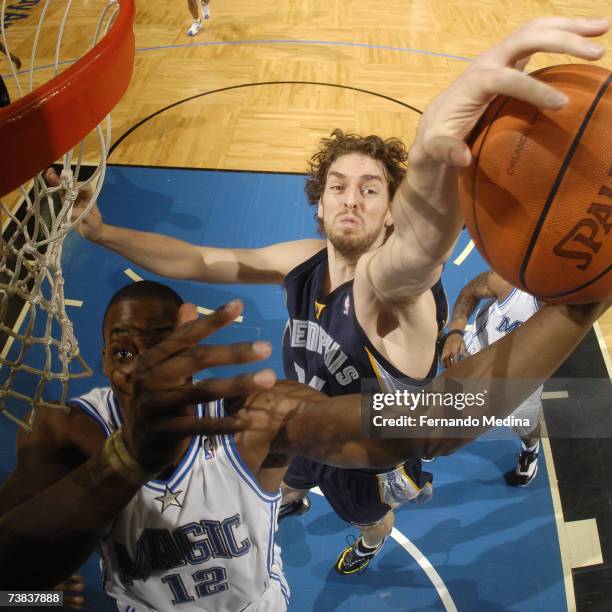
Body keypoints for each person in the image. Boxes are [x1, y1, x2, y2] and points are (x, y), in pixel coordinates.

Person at [64, 14, 609, 574]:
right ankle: (295, 496)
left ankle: (372, 539)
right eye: (338, 187)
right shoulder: (302, 259)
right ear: (319, 204)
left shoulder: (390, 290)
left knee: (367, 514)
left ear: (392, 209)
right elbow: (201, 260)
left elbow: (418, 253)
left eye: (371, 190)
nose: (352, 199)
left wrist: (432, 159)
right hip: (301, 422)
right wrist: (104, 233)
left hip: (363, 453)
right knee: (291, 468)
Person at [0, 278, 608, 607]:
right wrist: (37, 601)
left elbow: (427, 423)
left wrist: (577, 310)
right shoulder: (66, 432)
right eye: (125, 351)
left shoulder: (258, 416)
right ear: (104, 358)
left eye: (161, 348)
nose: (140, 368)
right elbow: (11, 580)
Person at [441, 271, 542, 486]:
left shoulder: (569, 314)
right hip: (474, 357)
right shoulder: (510, 282)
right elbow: (470, 291)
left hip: (521, 380)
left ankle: (531, 449)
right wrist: (456, 331)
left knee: (524, 425)